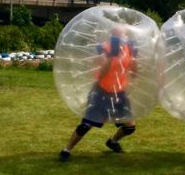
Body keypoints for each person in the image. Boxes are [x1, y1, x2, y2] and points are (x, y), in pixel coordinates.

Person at [59, 26, 139, 162]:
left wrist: (134, 56)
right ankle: (67, 150)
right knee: (86, 125)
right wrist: (112, 56)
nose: (121, 38)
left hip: (118, 93)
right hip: (101, 91)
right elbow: (103, 71)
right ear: (112, 36)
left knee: (129, 127)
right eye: (117, 35)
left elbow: (135, 73)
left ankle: (112, 141)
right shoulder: (105, 49)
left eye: (123, 35)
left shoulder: (127, 50)